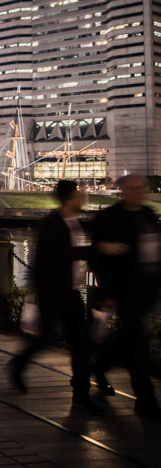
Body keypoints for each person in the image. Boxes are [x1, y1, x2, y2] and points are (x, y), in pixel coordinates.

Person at [8, 180, 103, 414]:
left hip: (70, 292)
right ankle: (18, 365)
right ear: (70, 198)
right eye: (80, 194)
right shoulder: (52, 224)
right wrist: (98, 249)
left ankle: (80, 394)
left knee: (81, 343)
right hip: (52, 292)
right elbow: (62, 254)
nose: (83, 197)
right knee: (44, 339)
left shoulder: (72, 221)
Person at [90, 175, 161, 421]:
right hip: (124, 291)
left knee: (130, 337)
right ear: (122, 192)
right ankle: (145, 401)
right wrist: (108, 292)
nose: (138, 192)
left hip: (149, 288)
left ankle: (100, 366)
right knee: (138, 343)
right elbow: (96, 255)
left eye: (141, 188)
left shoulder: (148, 214)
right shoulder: (109, 217)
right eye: (132, 189)